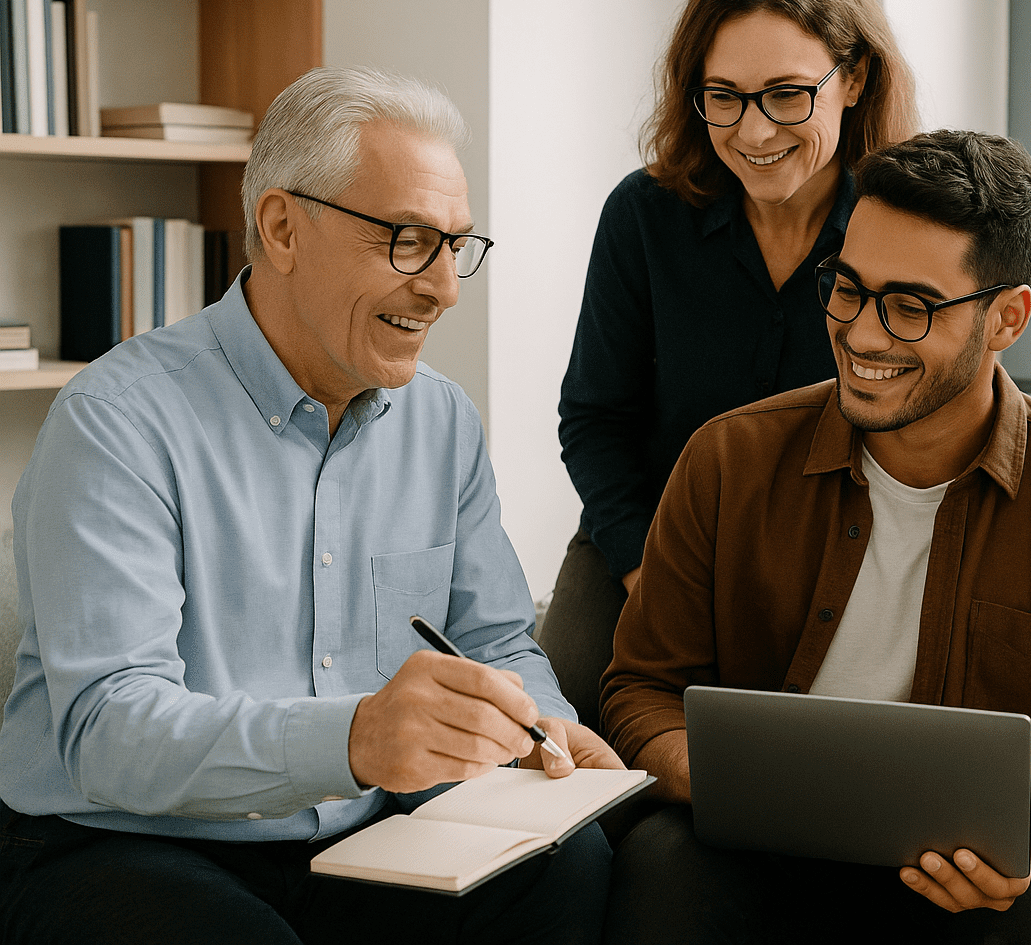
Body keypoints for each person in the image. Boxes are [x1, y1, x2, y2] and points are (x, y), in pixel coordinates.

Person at [0, 66, 620, 945]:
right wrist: (357, 739)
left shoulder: (441, 419)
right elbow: (109, 728)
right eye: (408, 239)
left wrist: (545, 725)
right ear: (283, 227)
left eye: (457, 246)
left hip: (365, 843)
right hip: (125, 842)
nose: (443, 286)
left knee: (570, 864)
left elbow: (494, 639)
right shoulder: (116, 421)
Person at [599, 130, 1031, 945]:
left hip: (955, 876)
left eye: (910, 306)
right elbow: (637, 691)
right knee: (660, 864)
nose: (863, 335)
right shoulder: (728, 458)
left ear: (1006, 317)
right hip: (749, 848)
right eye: (847, 288)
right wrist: (721, 780)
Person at [542, 0, 920, 730]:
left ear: (852, 79)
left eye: (787, 94)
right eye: (725, 95)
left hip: (831, 554)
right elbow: (595, 420)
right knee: (563, 730)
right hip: (644, 535)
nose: (753, 132)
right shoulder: (642, 218)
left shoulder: (907, 231)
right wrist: (647, 569)